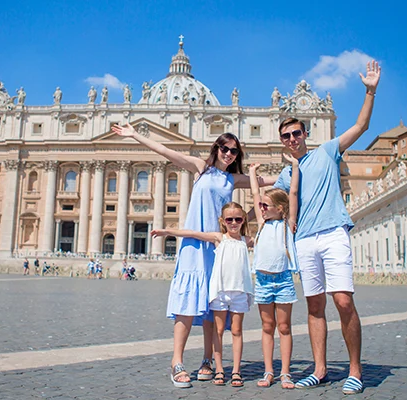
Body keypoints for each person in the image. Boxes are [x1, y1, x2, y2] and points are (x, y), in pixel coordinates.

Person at [111, 123, 272, 388]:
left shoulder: (234, 179)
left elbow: (269, 183)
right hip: (193, 244)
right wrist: (135, 135)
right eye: (224, 148)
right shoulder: (201, 167)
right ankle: (177, 362)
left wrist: (298, 168)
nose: (229, 154)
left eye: (234, 151)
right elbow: (166, 151)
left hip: (218, 247)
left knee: (214, 305)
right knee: (186, 303)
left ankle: (208, 360)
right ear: (216, 148)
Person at [274, 60, 380, 394]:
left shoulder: (328, 150)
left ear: (305, 133)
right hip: (304, 240)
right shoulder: (285, 175)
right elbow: (267, 195)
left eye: (296, 133)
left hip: (333, 232)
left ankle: (355, 370)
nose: (292, 139)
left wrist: (370, 91)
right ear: (282, 141)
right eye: (286, 136)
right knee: (315, 306)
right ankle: (320, 369)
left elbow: (361, 125)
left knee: (343, 301)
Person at [152, 202, 254, 388]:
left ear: (243, 220)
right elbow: (192, 233)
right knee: (219, 331)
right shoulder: (219, 237)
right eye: (229, 219)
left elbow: (265, 234)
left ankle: (236, 370)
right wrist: (168, 231)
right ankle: (220, 369)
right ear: (223, 221)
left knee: (237, 331)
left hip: (239, 292)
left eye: (237, 219)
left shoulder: (246, 240)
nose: (233, 223)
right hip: (220, 292)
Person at [249, 154, 300, 389]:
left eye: (265, 206)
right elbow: (254, 194)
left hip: (283, 280)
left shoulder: (288, 224)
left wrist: (295, 167)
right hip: (262, 280)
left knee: (284, 327)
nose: (261, 208)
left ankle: (286, 373)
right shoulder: (261, 224)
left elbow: (294, 194)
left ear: (279, 208)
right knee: (267, 327)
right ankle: (269, 371)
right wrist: (252, 173)